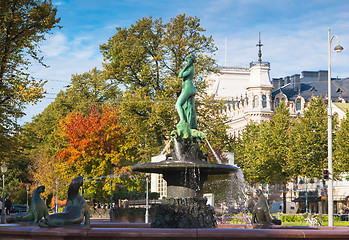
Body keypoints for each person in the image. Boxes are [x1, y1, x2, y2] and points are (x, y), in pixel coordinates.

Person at [175, 53, 198, 130]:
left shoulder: (190, 69)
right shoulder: (191, 69)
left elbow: (180, 75)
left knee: (178, 104)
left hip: (188, 88)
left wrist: (186, 66)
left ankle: (182, 120)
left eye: (187, 60)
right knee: (187, 106)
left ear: (190, 61)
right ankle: (189, 121)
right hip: (189, 88)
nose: (186, 62)